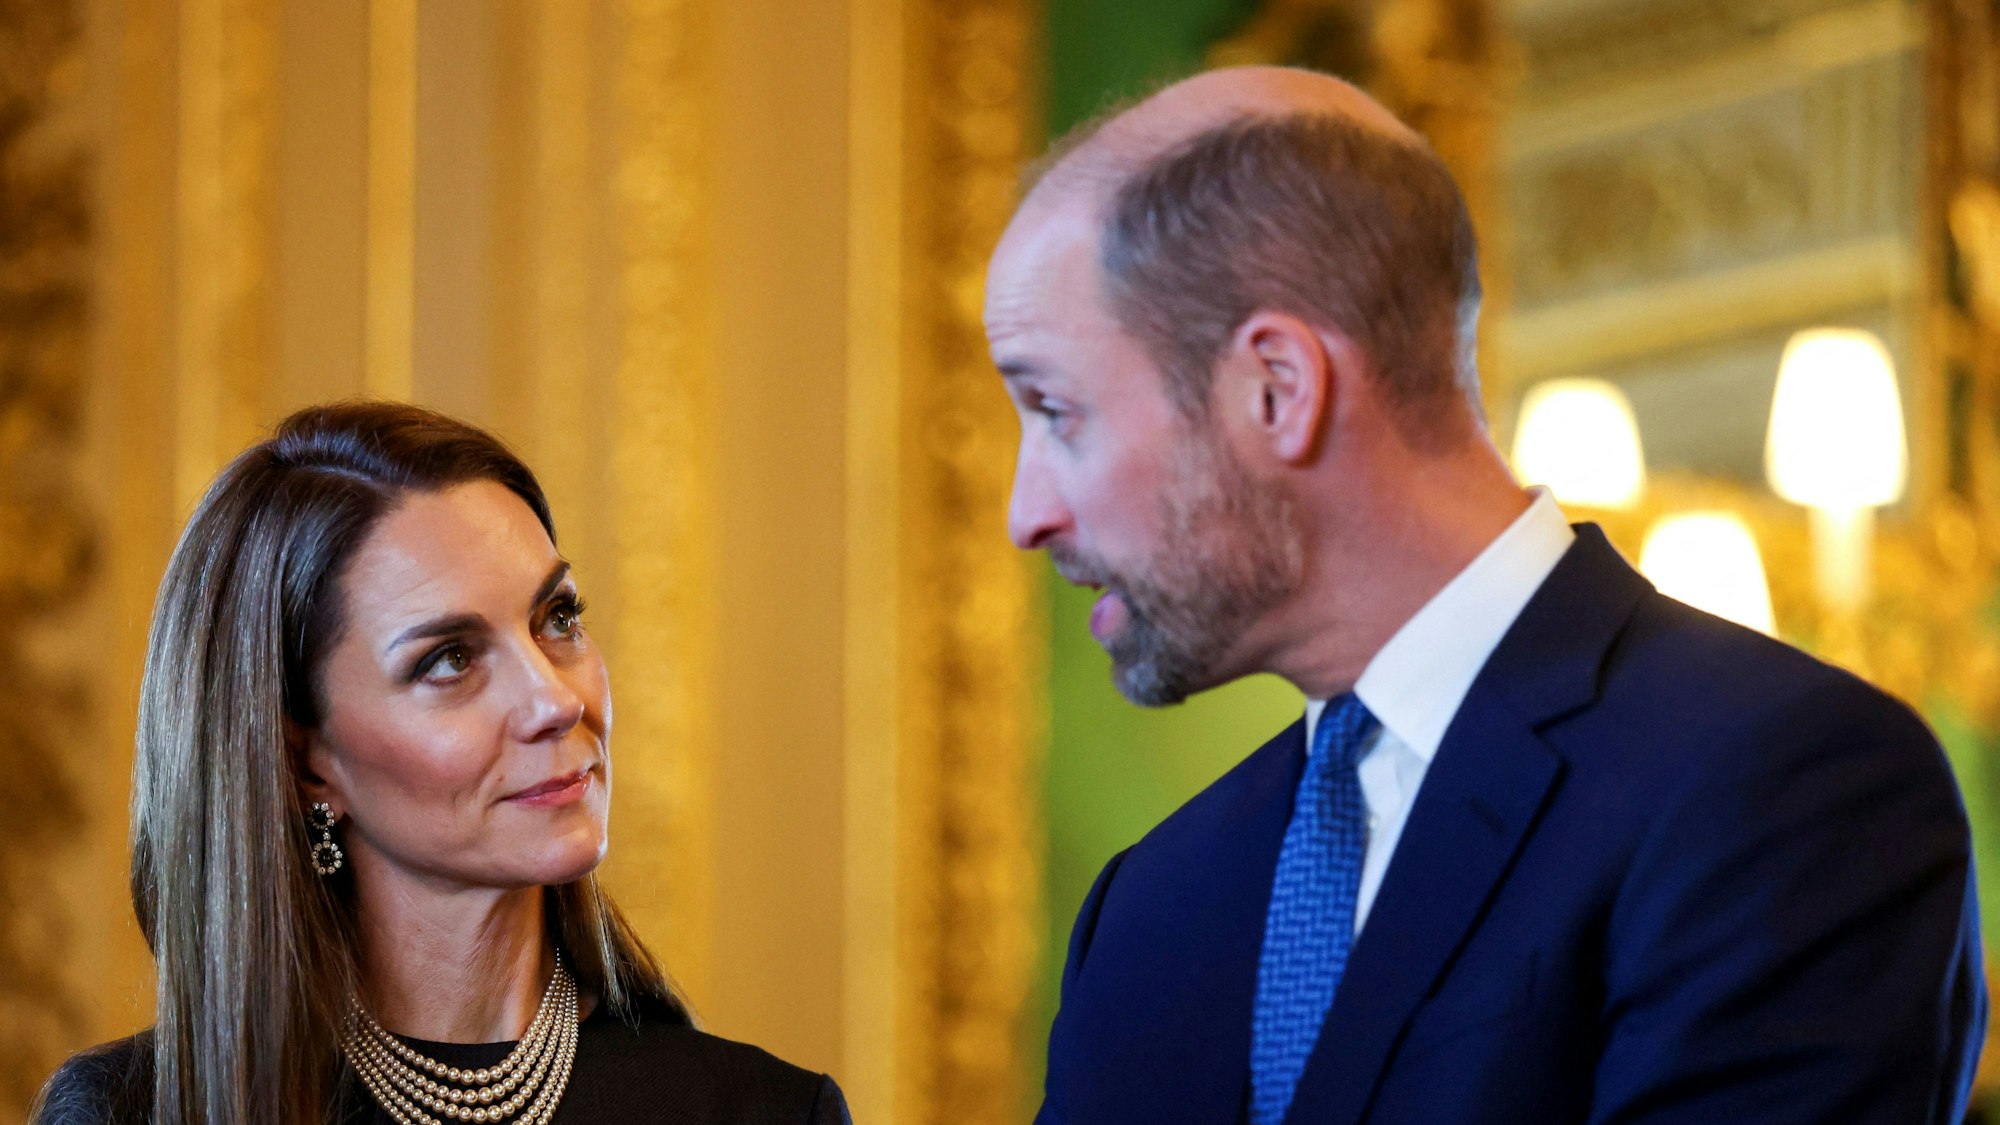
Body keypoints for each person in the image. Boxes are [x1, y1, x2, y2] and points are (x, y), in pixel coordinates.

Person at [990, 66, 1986, 1124]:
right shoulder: (1150, 906)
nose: (1025, 514)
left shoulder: (1788, 790)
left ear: (1276, 388)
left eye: (1055, 412)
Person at [31, 401, 850, 1125]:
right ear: (307, 763)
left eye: (557, 617)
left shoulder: (765, 1110)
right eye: (450, 659)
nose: (554, 699)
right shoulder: (129, 1111)